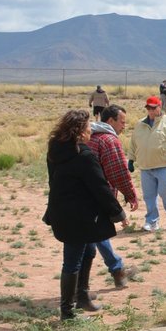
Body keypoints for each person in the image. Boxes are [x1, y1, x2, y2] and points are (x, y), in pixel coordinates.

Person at [42, 110, 126, 320]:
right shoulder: (84, 156)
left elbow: (54, 182)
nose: (91, 130)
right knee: (71, 261)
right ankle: (68, 312)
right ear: (79, 132)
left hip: (64, 212)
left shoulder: (56, 150)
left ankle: (82, 295)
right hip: (78, 217)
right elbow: (100, 187)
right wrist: (118, 213)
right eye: (89, 126)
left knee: (88, 251)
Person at [88, 105, 139, 287]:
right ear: (110, 121)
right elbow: (117, 171)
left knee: (93, 234)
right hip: (99, 196)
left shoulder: (86, 136)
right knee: (90, 238)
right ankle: (115, 271)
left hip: (79, 195)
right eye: (122, 122)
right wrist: (130, 194)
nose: (124, 126)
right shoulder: (108, 140)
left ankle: (117, 269)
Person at [127, 95, 166, 232]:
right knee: (149, 196)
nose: (151, 111)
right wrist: (131, 159)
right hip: (145, 167)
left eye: (153, 108)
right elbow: (134, 143)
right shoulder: (140, 124)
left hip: (163, 165)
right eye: (148, 108)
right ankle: (152, 222)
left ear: (159, 107)